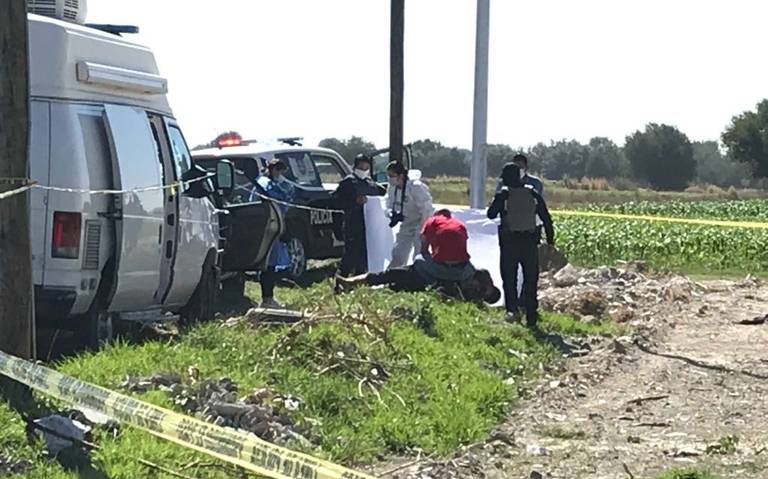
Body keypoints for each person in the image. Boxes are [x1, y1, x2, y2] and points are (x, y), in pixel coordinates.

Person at [337, 209, 500, 303]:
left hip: (435, 270)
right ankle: (448, 289)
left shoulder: (431, 222)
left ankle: (352, 282)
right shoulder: (459, 225)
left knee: (402, 270)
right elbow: (462, 250)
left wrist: (425, 261)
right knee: (405, 282)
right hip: (461, 271)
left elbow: (423, 250)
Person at [487, 163, 555, 327]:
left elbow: (491, 214)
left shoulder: (503, 195)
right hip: (530, 242)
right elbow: (546, 218)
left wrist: (496, 201)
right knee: (530, 279)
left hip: (509, 242)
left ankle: (512, 311)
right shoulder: (533, 193)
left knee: (509, 278)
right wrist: (550, 240)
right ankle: (531, 315)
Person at [332, 153, 386, 276]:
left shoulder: (370, 183)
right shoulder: (348, 183)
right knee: (350, 255)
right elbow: (337, 201)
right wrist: (354, 201)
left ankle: (358, 280)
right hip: (353, 224)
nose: (364, 171)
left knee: (364, 257)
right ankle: (341, 279)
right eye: (361, 168)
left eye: (366, 168)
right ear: (355, 167)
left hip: (369, 226)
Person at [251, 159, 295, 309]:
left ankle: (269, 297)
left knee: (272, 265)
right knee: (267, 265)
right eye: (278, 171)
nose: (280, 175)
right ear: (272, 170)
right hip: (266, 228)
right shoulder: (263, 185)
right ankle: (267, 298)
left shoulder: (279, 186)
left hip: (276, 226)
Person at [385, 161, 434, 268]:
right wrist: (391, 213)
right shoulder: (392, 187)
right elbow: (388, 203)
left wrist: (423, 230)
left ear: (401, 175)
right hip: (406, 223)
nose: (389, 178)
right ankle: (392, 277)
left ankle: (420, 278)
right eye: (388, 176)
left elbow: (427, 210)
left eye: (392, 176)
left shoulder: (416, 187)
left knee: (419, 254)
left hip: (420, 224)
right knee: (398, 253)